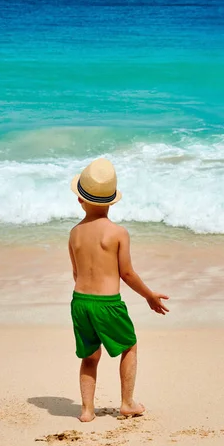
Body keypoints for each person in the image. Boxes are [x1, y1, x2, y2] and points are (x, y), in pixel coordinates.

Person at [68, 158, 169, 422]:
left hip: (80, 302)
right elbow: (126, 273)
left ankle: (87, 410)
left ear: (80, 200)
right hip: (107, 304)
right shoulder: (117, 233)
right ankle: (127, 402)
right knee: (129, 345)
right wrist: (149, 295)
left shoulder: (74, 233)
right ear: (112, 202)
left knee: (90, 356)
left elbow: (76, 273)